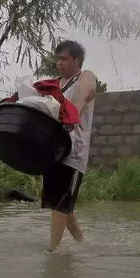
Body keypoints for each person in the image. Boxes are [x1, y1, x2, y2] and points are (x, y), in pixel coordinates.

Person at [42, 40, 99, 252]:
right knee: (60, 203)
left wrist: (71, 116)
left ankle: (52, 253)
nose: (59, 62)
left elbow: (84, 95)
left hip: (74, 152)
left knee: (59, 203)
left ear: (77, 60)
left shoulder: (85, 77)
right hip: (52, 151)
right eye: (57, 58)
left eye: (64, 58)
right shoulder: (52, 84)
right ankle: (83, 244)